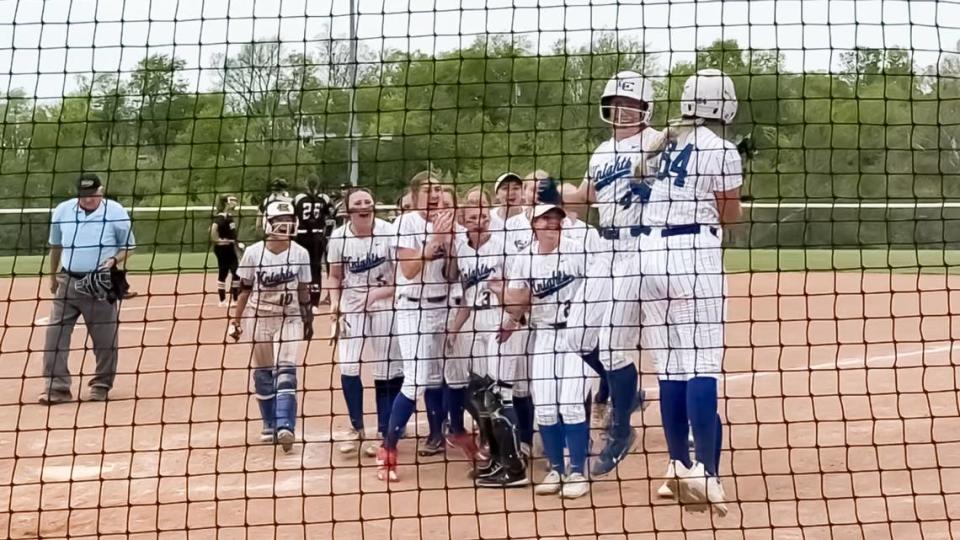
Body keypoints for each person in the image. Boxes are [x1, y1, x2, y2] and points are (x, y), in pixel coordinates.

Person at [644, 69, 742, 516]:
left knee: (670, 369)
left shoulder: (663, 144)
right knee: (702, 365)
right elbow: (729, 214)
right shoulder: (721, 149)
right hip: (694, 254)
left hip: (650, 256)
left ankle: (677, 466)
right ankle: (707, 473)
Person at [570, 70, 666, 477]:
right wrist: (548, 195)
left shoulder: (660, 142)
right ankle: (628, 393)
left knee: (613, 347)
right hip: (604, 249)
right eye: (617, 104)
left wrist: (654, 184)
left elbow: (677, 186)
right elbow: (586, 195)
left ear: (645, 108)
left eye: (631, 105)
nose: (623, 111)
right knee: (576, 336)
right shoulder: (601, 151)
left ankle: (621, 430)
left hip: (638, 249)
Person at [502, 204, 594, 499]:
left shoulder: (577, 251)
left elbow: (599, 289)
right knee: (544, 406)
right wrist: (508, 315)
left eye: (556, 218)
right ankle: (556, 469)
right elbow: (517, 303)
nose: (552, 222)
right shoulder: (524, 258)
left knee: (570, 404)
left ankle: (577, 470)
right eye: (545, 218)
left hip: (578, 335)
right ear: (533, 224)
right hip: (544, 336)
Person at [377, 171, 456, 481]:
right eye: (428, 190)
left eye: (438, 189)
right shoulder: (404, 223)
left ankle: (437, 436)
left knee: (442, 376)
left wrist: (449, 245)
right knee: (416, 378)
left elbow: (451, 273)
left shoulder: (449, 222)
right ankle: (388, 448)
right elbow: (408, 271)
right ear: (414, 196)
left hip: (444, 305)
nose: (435, 195)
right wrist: (435, 241)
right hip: (413, 309)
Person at [448, 187, 529, 488]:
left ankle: (514, 467)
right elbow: (467, 299)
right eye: (473, 217)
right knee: (480, 394)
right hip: (478, 326)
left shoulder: (504, 247)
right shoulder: (463, 250)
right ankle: (498, 460)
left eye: (484, 215)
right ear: (464, 221)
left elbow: (519, 291)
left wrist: (512, 319)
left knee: (499, 396)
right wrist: (454, 329)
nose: (480, 220)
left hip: (501, 325)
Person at [40, 173, 136, 405]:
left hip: (99, 284)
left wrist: (114, 260)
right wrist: (53, 277)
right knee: (55, 335)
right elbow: (55, 246)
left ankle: (102, 384)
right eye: (84, 196)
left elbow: (129, 246)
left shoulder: (115, 211)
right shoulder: (63, 210)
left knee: (104, 339)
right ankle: (57, 387)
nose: (89, 199)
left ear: (101, 191)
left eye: (93, 195)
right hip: (68, 282)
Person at [229, 200, 314, 453]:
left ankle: (285, 425)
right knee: (264, 372)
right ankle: (269, 423)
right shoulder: (254, 252)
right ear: (268, 224)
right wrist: (236, 320)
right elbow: (244, 289)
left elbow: (303, 289)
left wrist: (308, 316)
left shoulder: (300, 253)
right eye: (279, 221)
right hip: (259, 315)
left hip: (290, 315)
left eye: (289, 219)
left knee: (287, 369)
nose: (285, 225)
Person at [326, 187, 404, 457]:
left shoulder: (389, 232)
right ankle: (355, 426)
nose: (364, 206)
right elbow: (335, 276)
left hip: (384, 300)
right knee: (348, 364)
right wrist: (334, 301)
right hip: (352, 302)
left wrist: (378, 293)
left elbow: (401, 276)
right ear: (349, 210)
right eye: (358, 203)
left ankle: (386, 430)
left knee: (386, 367)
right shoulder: (339, 237)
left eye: (368, 202)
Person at [293, 175, 335, 307]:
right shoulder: (324, 198)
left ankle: (301, 299)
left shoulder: (299, 198)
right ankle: (315, 302)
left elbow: (293, 213)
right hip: (317, 237)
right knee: (315, 268)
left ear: (306, 184)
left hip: (302, 236)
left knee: (300, 267)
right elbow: (331, 212)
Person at [211, 195, 243, 307]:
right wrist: (218, 240)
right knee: (223, 272)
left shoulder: (229, 217)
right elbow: (213, 230)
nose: (235, 203)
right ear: (226, 203)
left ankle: (235, 299)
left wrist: (238, 243)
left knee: (236, 272)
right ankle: (222, 300)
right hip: (222, 249)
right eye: (232, 201)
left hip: (230, 247)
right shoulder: (220, 218)